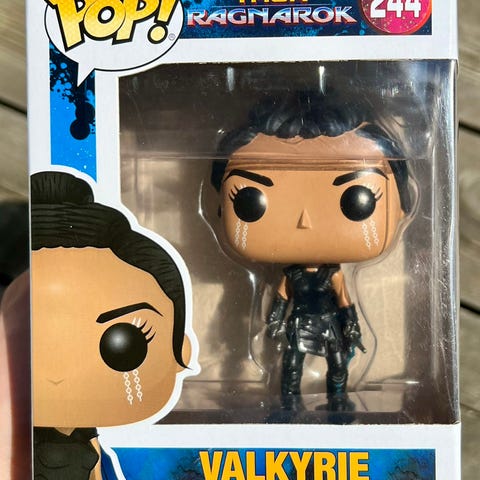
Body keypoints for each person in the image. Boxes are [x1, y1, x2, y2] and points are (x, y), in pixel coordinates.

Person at [212, 92, 411, 416]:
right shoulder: (292, 276)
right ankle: (290, 402)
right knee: (292, 363)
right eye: (249, 199)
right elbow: (281, 300)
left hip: (328, 324)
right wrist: (274, 322)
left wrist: (351, 327)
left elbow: (344, 302)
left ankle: (337, 399)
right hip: (300, 322)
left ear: (401, 204)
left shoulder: (332, 274)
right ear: (221, 205)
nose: (305, 221)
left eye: (357, 199)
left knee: (337, 364)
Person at [30, 170, 194, 479]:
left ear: (180, 351)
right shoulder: (21, 437)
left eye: (124, 344)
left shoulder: (84, 432)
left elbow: (97, 467)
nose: (57, 374)